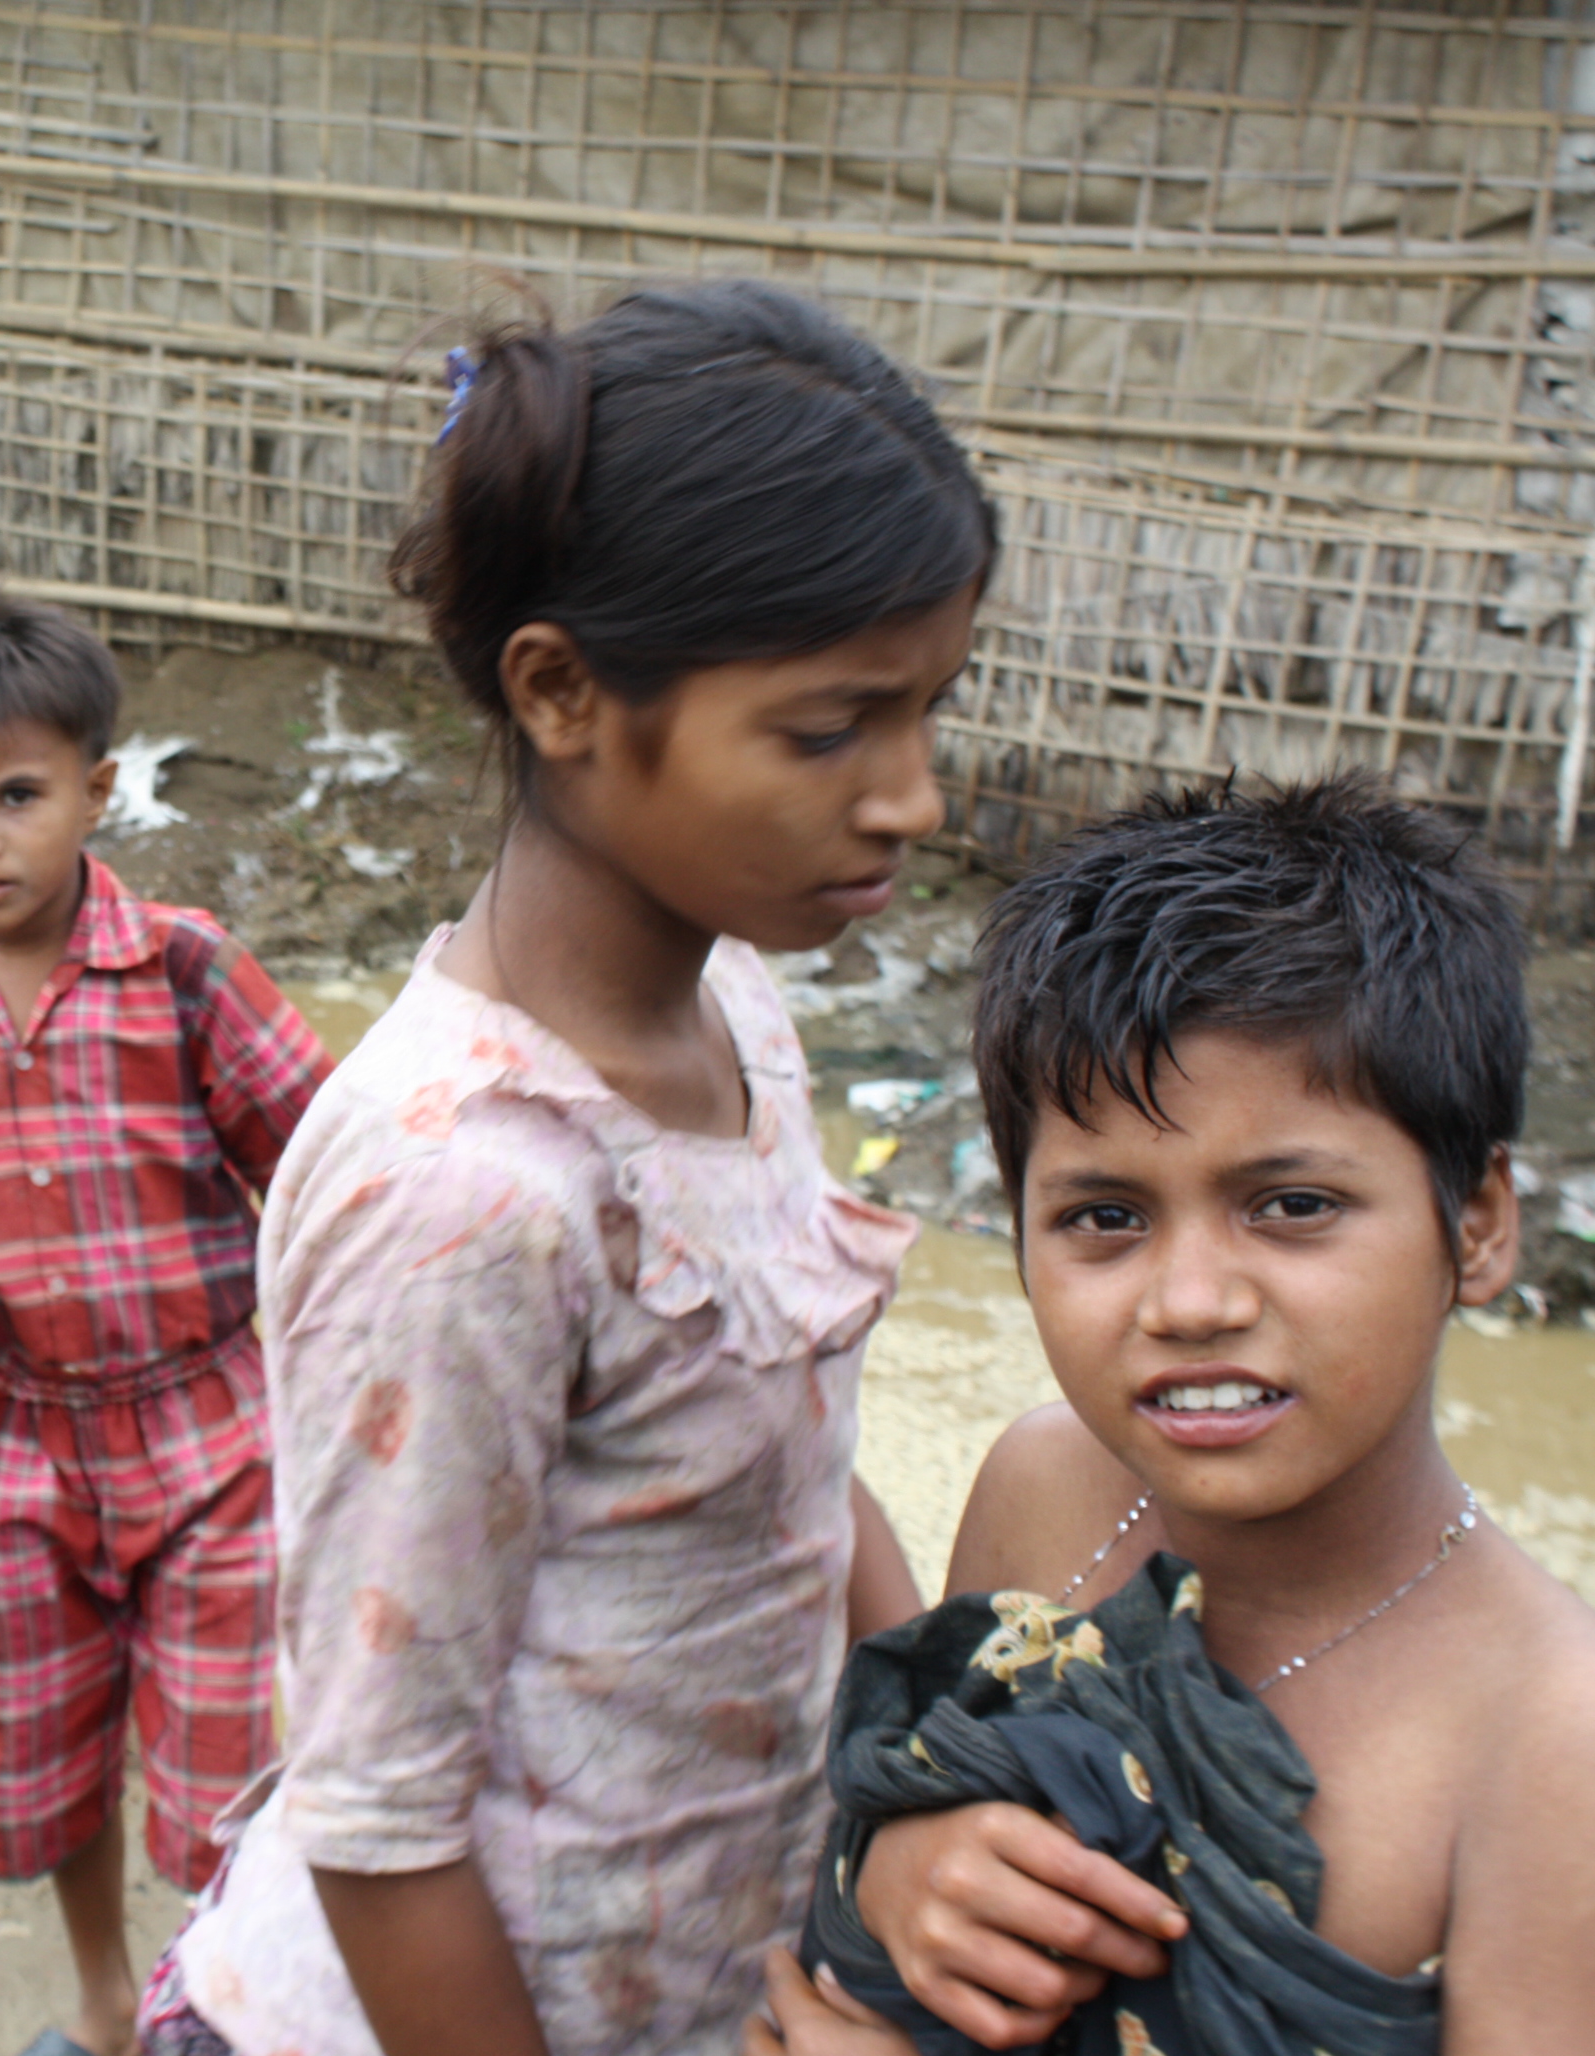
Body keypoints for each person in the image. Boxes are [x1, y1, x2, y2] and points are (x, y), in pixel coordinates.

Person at [137, 275, 993, 2056]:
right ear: (560, 692)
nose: (911, 794)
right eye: (832, 728)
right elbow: (378, 1823)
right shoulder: (465, 1194)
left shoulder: (736, 1013)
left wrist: (939, 1752)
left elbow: (788, 1471)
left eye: (927, 711)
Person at [756, 777, 1595, 2056]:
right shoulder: (1045, 1484)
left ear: (1474, 1226)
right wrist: (909, 1865)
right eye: (1105, 1217)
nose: (1191, 1301)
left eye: (1292, 1204)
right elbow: (929, 1789)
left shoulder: (1548, 1734)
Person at [0, 588, 334, 2056]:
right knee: (46, 1749)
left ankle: (220, 2000)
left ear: (97, 792)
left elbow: (319, 1183)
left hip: (214, 1430)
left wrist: (335, 1399)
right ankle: (108, 2003)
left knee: (227, 1761)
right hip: (15, 1445)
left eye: (15, 797)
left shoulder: (185, 971)